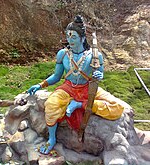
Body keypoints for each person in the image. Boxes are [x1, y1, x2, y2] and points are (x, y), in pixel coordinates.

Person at [28, 15, 124, 154]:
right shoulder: (63, 54)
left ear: (82, 38)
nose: (69, 40)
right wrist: (40, 85)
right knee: (51, 104)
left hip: (88, 88)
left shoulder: (95, 55)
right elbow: (56, 76)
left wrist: (99, 75)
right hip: (68, 88)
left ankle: (79, 104)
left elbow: (100, 74)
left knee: (118, 107)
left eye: (73, 37)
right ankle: (52, 139)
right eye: (68, 36)